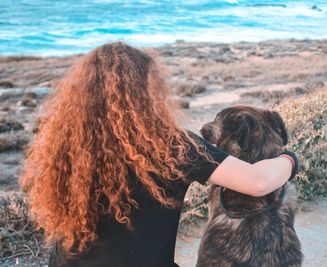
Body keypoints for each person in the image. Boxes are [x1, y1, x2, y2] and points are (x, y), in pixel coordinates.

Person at [20, 42, 298, 267]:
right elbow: (258, 182)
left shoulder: (66, 148)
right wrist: (290, 159)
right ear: (146, 92)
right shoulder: (173, 146)